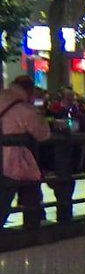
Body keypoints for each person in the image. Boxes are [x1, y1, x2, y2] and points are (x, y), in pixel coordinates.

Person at [0, 74, 52, 228]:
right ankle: (33, 226)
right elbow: (43, 134)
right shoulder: (25, 109)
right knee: (28, 191)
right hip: (11, 163)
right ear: (29, 91)